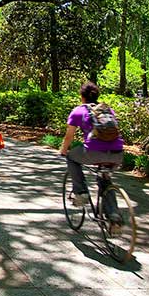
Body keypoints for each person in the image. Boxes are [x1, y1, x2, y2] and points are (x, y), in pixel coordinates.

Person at [59, 82, 123, 210]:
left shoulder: (78, 111)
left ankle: (81, 192)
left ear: (82, 97)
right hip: (117, 153)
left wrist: (63, 150)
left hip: (93, 152)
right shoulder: (107, 110)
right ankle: (114, 217)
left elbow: (69, 136)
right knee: (105, 179)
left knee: (71, 158)